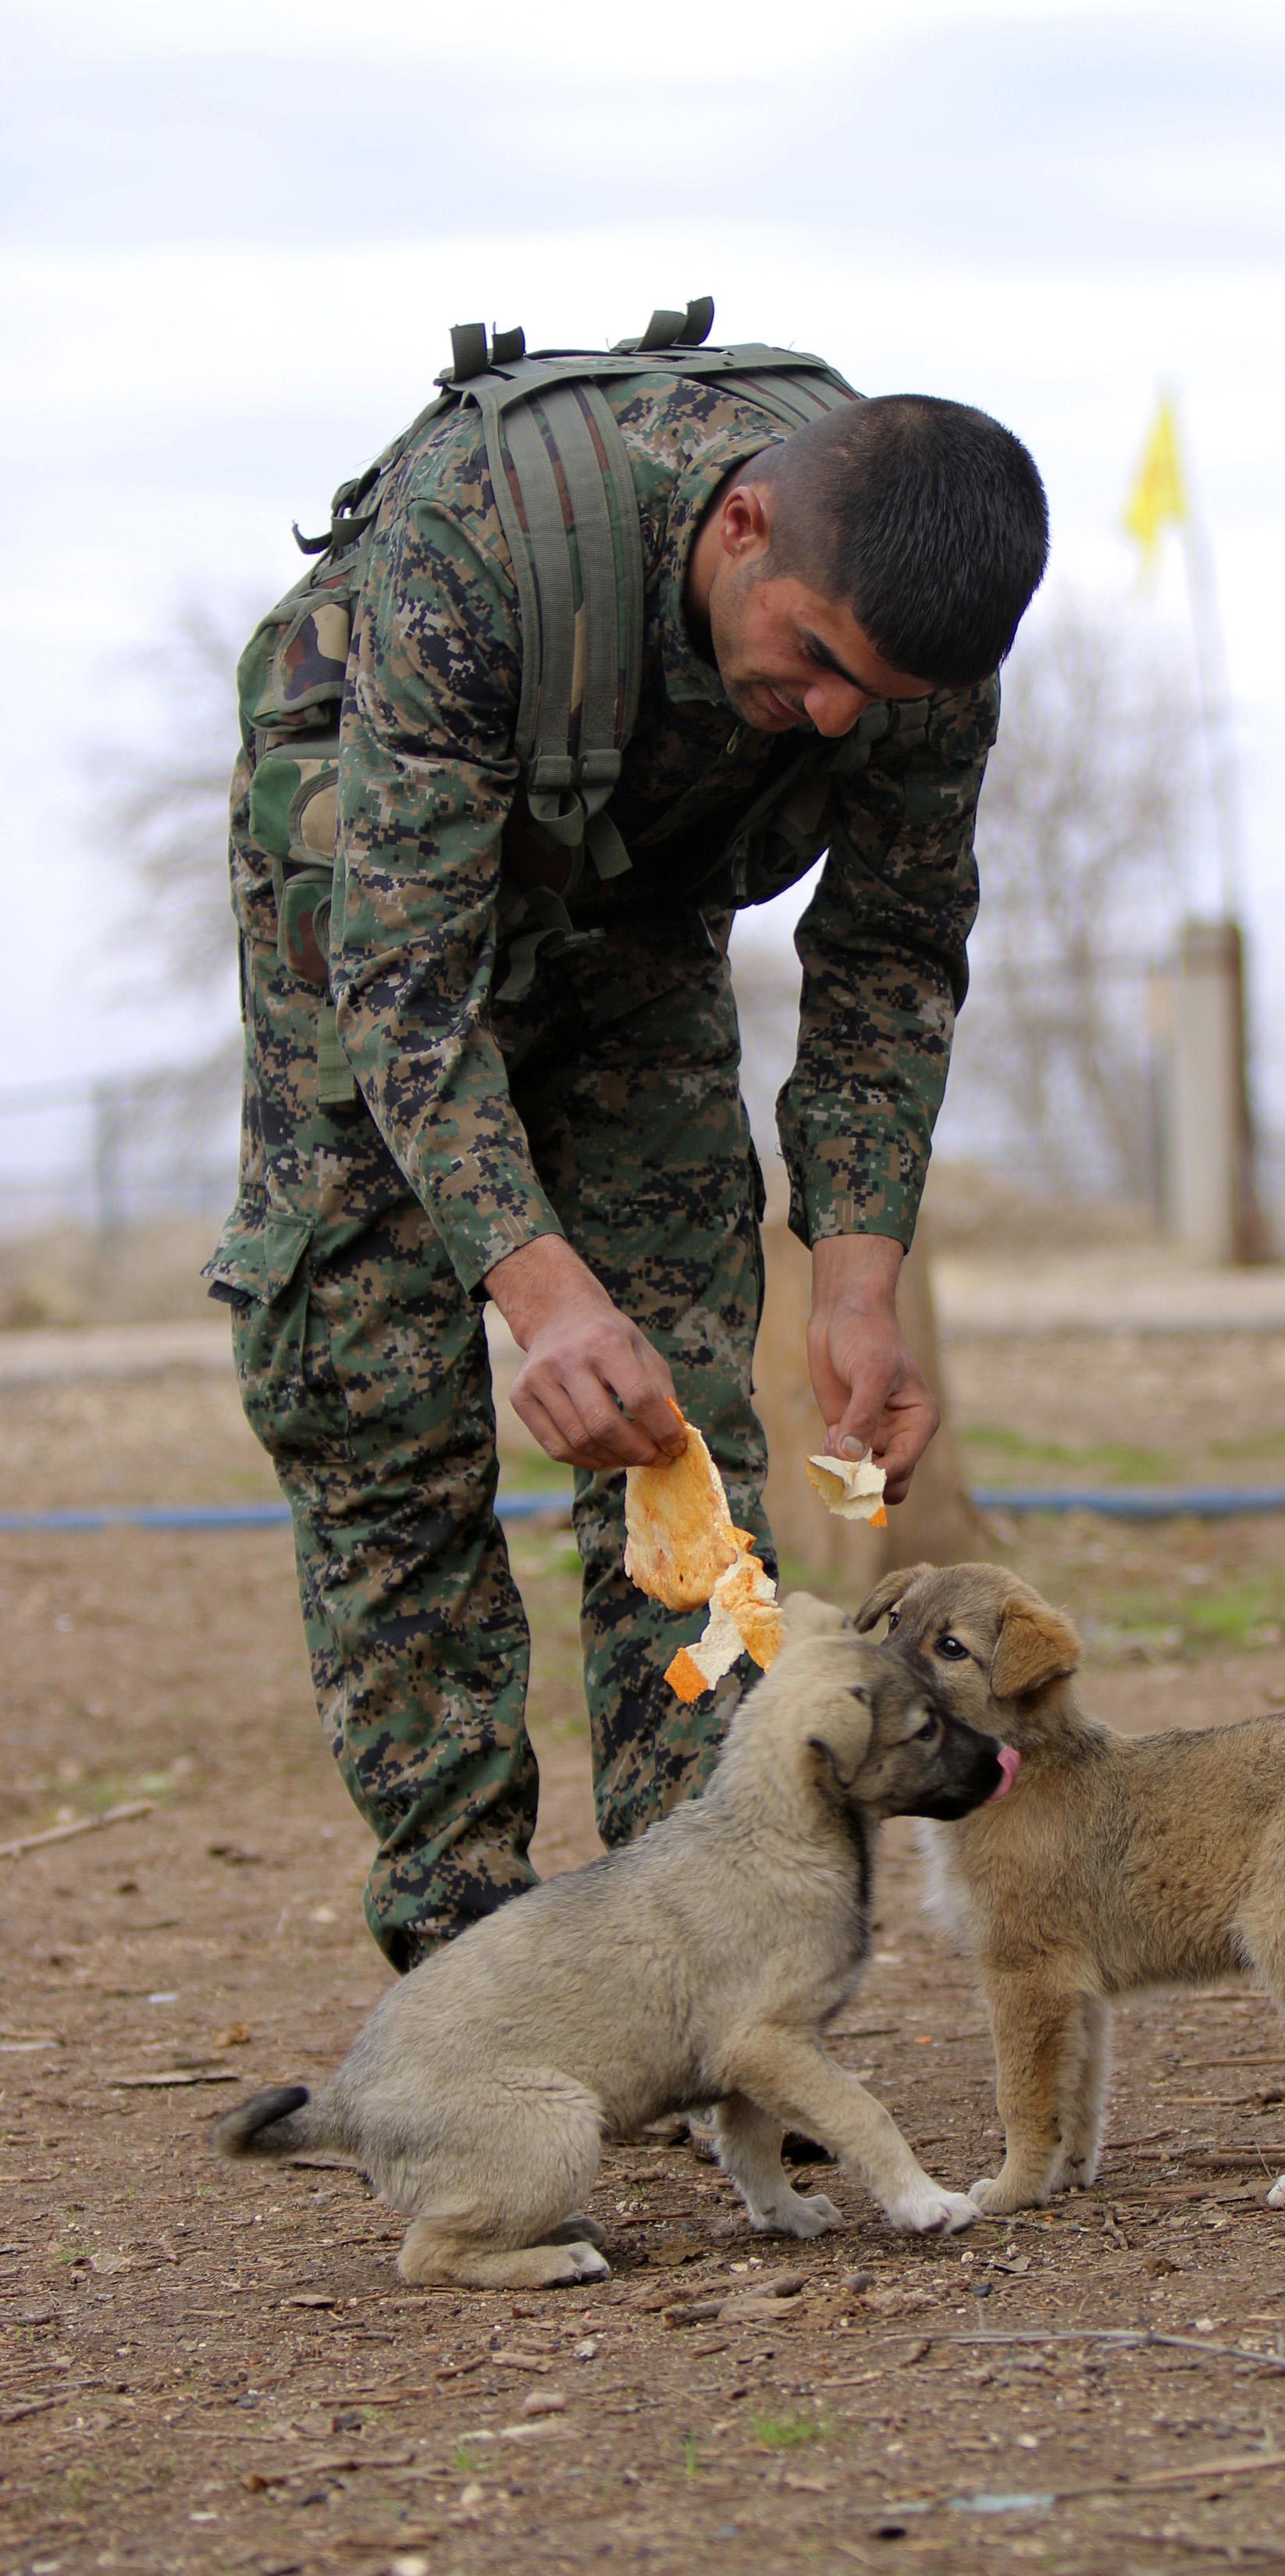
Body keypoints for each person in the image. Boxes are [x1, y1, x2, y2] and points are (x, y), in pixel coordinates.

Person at [208, 332, 1048, 1970]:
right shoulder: (485, 548)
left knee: (680, 1431)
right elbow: (407, 986)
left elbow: (891, 952)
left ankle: (699, 1946)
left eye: (866, 699)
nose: (825, 715)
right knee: (377, 1402)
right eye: (809, 660)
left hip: (645, 898)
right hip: (380, 902)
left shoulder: (918, 656)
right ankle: (470, 1963)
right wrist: (540, 1291)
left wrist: (857, 1280)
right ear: (743, 529)